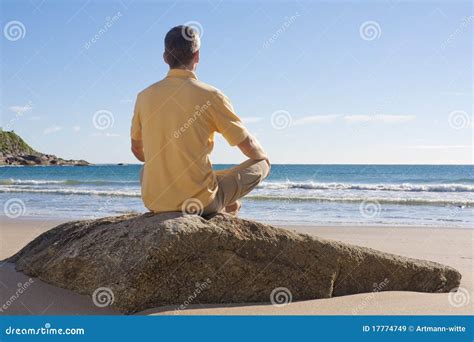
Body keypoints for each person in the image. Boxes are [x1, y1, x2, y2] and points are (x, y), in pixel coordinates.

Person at [130, 25, 270, 217]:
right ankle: (226, 203)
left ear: (165, 58)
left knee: (147, 168)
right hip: (201, 202)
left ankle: (229, 203)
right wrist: (264, 158)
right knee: (262, 164)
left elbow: (137, 150)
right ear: (197, 56)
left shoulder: (144, 96)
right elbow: (248, 145)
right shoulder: (211, 95)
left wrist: (167, 163)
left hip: (155, 201)